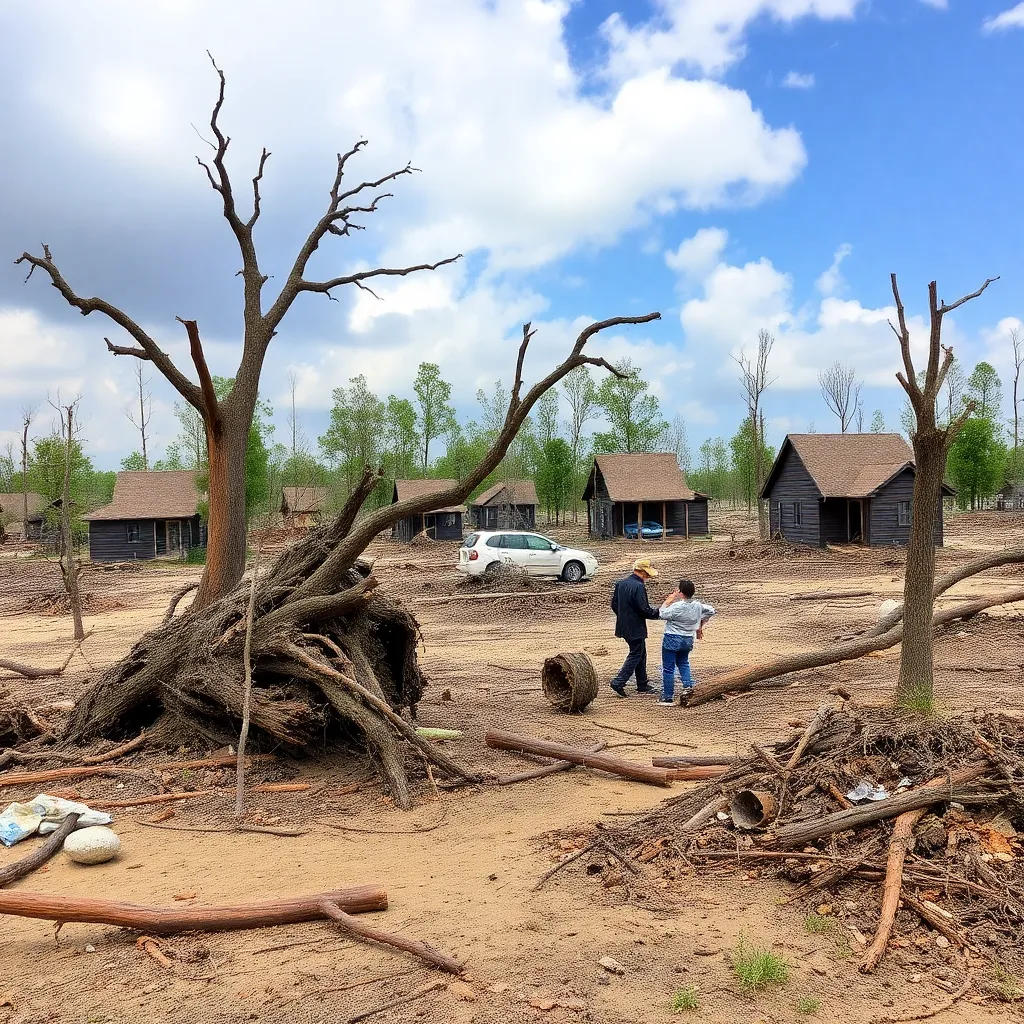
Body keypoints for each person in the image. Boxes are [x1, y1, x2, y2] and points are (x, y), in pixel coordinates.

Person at [657, 579, 716, 707]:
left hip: (672, 637)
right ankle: (688, 687)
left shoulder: (677, 606)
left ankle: (667, 697)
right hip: (688, 638)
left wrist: (668, 601)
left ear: (681, 592)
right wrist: (700, 625)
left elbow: (661, 614)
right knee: (683, 663)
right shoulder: (698, 605)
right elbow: (711, 610)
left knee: (668, 668)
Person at [609, 558, 662, 697]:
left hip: (623, 625)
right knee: (636, 653)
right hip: (635, 627)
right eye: (648, 573)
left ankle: (642, 683)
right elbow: (643, 609)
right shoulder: (638, 587)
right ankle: (619, 681)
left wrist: (623, 617)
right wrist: (658, 613)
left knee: (640, 652)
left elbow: (614, 604)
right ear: (643, 572)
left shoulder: (621, 583)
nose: (649, 577)